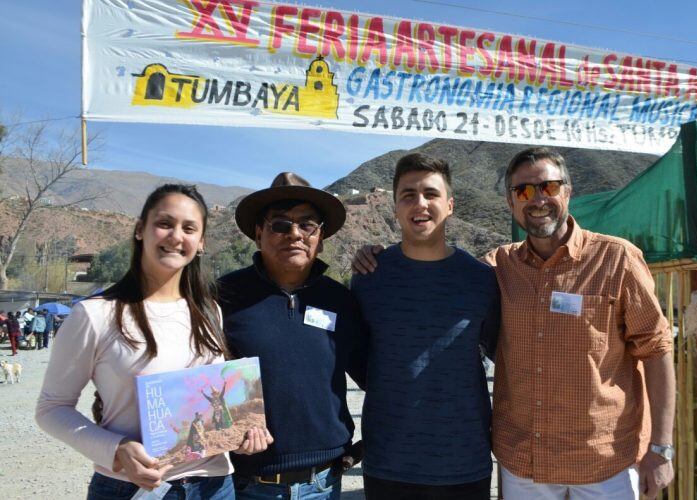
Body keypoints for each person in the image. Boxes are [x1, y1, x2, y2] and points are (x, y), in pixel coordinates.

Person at [353, 147, 676, 500]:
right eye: (523, 191)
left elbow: (657, 349)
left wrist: (661, 449)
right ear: (510, 202)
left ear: (568, 191)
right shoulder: (498, 268)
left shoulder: (616, 260)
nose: (537, 199)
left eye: (548, 187)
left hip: (603, 463)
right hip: (525, 463)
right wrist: (370, 254)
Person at [36, 184, 273, 500]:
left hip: (214, 486)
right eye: (165, 224)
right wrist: (117, 449)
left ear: (200, 243)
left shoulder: (209, 311)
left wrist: (245, 432)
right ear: (139, 230)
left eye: (189, 229)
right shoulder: (95, 314)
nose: (176, 236)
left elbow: (217, 406)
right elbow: (51, 409)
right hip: (129, 489)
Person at [350, 153, 500, 500]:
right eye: (408, 194)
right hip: (388, 462)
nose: (420, 203)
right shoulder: (369, 277)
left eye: (431, 194)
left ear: (449, 204)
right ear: (395, 207)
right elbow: (358, 359)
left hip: (464, 462)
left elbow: (500, 354)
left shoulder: (482, 280)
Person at [217, 172, 367, 500]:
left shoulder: (339, 298)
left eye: (307, 224)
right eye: (280, 225)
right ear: (259, 234)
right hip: (248, 484)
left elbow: (374, 374)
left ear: (321, 237)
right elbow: (197, 378)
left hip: (325, 482)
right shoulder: (223, 295)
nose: (294, 234)